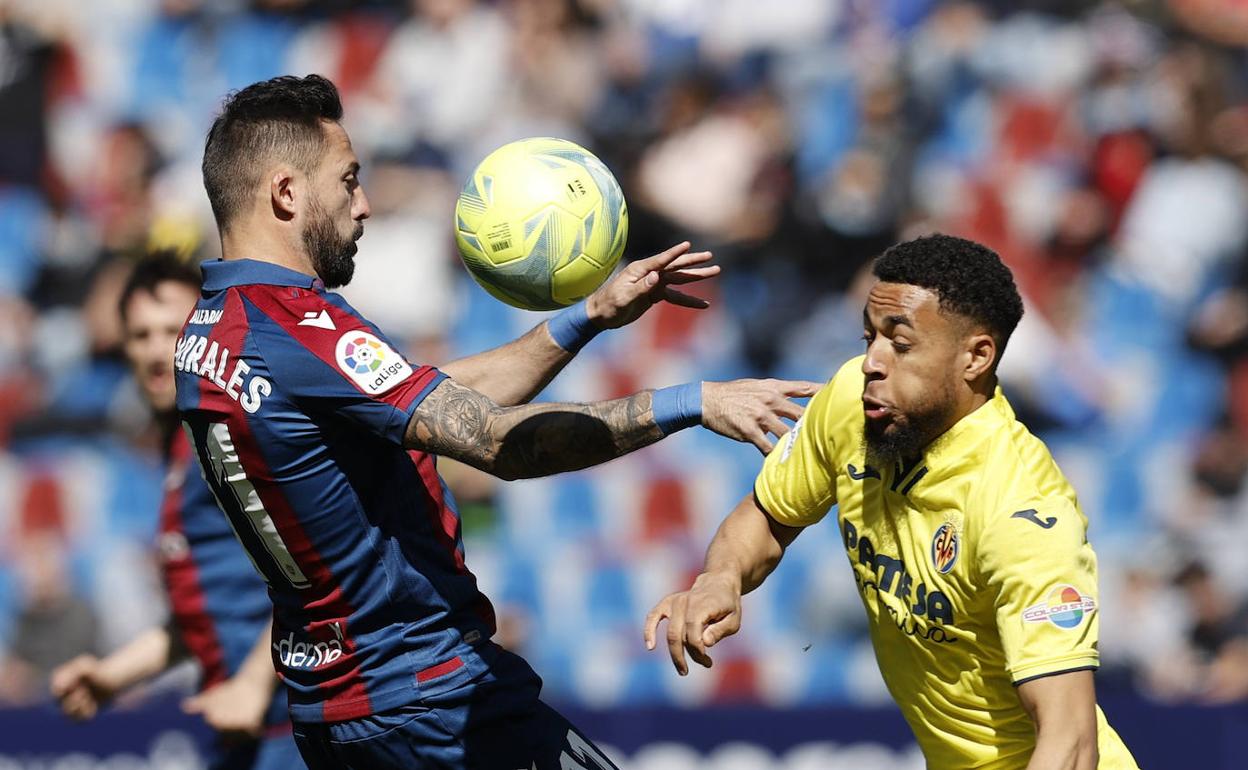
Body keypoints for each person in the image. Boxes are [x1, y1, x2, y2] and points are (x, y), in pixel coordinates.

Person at [175, 73, 816, 769]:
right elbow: (495, 442)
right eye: (348, 179)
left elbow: (434, 400)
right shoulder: (299, 324)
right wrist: (694, 401)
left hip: (340, 706)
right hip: (432, 701)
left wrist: (587, 318)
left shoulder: (213, 329)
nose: (363, 205)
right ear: (286, 193)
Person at [645, 234, 1141, 770]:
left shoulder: (1021, 509)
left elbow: (1070, 744)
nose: (870, 363)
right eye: (868, 337)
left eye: (900, 345)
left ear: (976, 356)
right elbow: (768, 515)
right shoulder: (853, 405)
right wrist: (721, 577)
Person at [50, 252, 302, 770]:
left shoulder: (233, 433)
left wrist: (253, 685)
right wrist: (109, 677)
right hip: (245, 729)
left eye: (174, 329)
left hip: (294, 725)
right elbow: (201, 619)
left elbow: (318, 567)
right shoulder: (178, 448)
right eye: (141, 335)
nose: (157, 351)